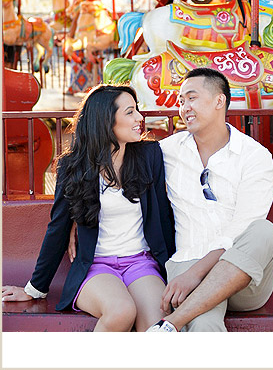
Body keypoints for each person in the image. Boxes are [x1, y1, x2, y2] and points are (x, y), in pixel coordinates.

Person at [1, 85, 175, 331]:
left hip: (141, 263)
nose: (139, 118)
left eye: (137, 111)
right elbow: (58, 227)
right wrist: (34, 288)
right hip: (96, 265)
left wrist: (177, 272)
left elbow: (164, 217)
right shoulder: (73, 166)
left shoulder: (150, 155)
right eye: (130, 112)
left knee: (157, 324)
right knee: (121, 311)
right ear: (106, 120)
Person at [147, 67, 273, 332]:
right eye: (181, 101)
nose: (184, 107)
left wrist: (196, 273)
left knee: (265, 231)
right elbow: (114, 169)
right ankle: (174, 325)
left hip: (244, 280)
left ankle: (168, 325)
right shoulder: (167, 151)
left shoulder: (254, 156)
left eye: (192, 98)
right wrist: (75, 216)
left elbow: (243, 226)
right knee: (204, 324)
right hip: (186, 263)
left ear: (219, 101)